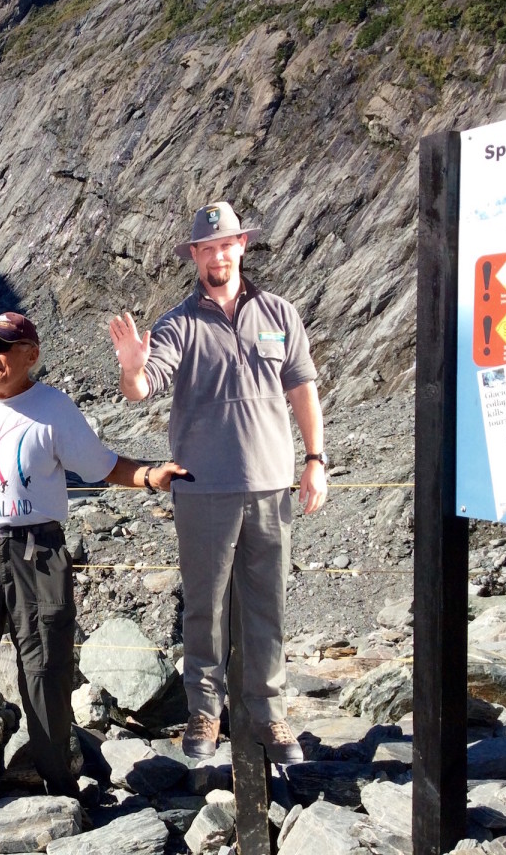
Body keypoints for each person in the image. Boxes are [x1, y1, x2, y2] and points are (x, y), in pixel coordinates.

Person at [0, 310, 186, 855]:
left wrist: (147, 475)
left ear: (30, 356)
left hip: (36, 554)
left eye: (3, 347)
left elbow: (101, 465)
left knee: (46, 677)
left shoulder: (54, 410)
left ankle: (61, 790)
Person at [108, 200, 327, 766]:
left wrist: (316, 458)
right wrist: (133, 366)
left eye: (225, 245)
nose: (217, 256)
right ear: (195, 257)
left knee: (268, 603)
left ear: (241, 247)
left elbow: (302, 386)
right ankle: (204, 710)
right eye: (206, 249)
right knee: (204, 607)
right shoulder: (179, 323)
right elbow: (145, 386)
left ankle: (269, 713)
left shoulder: (280, 313)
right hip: (204, 488)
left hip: (273, 484)